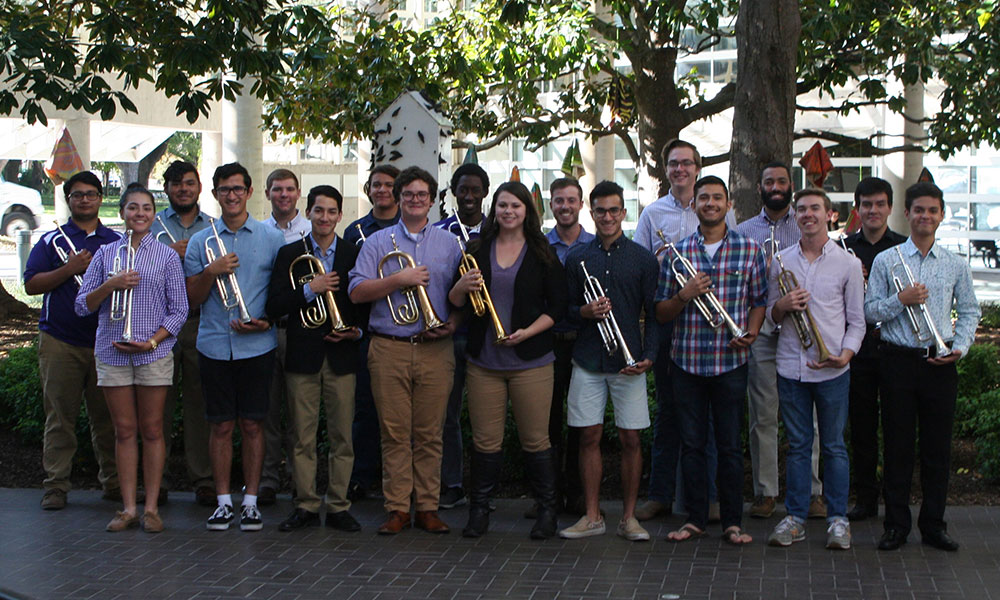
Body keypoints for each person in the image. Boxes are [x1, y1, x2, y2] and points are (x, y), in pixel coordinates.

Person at [449, 181, 567, 539]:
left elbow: (558, 308)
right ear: (494, 210)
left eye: (515, 206)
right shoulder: (476, 248)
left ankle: (548, 511)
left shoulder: (543, 251)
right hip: (484, 361)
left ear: (527, 211)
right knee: (485, 441)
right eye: (502, 205)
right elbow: (453, 300)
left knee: (536, 440)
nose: (508, 211)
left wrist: (528, 332)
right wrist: (461, 287)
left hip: (531, 360)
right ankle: (479, 511)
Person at [348, 166, 462, 535]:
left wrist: (454, 323)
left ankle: (427, 506)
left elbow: (461, 297)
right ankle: (397, 507)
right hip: (389, 347)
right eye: (408, 194)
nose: (415, 200)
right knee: (395, 433)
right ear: (398, 200)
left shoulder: (449, 243)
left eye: (422, 194)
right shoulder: (376, 243)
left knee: (431, 433)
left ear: (432, 200)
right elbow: (356, 292)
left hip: (436, 349)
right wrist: (399, 279)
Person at [865, 182, 980, 552]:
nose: (925, 216)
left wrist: (960, 347)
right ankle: (896, 526)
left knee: (937, 449)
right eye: (918, 210)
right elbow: (870, 311)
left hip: (940, 363)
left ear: (942, 215)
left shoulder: (954, 263)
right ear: (908, 214)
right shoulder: (887, 260)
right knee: (897, 447)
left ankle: (934, 525)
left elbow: (971, 311)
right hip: (897, 361)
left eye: (932, 211)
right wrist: (901, 299)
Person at [656, 176, 764, 545]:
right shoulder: (677, 253)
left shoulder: (750, 250)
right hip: (687, 361)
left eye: (718, 198)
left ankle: (733, 521)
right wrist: (685, 294)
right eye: (704, 198)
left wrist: (750, 330)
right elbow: (661, 313)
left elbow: (760, 299)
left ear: (728, 204)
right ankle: (696, 518)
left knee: (731, 446)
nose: (711, 203)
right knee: (692, 445)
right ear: (696, 204)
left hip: (730, 361)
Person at [75, 184, 188, 532]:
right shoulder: (106, 254)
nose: (140, 214)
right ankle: (127, 508)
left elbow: (180, 309)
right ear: (122, 212)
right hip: (112, 351)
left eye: (146, 208)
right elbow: (82, 305)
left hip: (152, 353)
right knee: (123, 431)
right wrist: (112, 285)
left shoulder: (167, 256)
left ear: (154, 215)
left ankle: (151, 507)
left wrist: (152, 342)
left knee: (153, 431)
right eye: (133, 208)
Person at [634, 139, 732, 523]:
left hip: (708, 320)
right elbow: (642, 265)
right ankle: (659, 494)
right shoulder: (653, 213)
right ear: (666, 169)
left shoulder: (714, 206)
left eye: (687, 163)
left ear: (697, 166)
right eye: (673, 164)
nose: (680, 170)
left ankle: (705, 497)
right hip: (669, 316)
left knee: (706, 415)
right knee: (669, 412)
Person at [184, 162, 286, 531]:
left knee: (254, 425)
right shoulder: (201, 242)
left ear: (249, 192)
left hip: (257, 344)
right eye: (224, 190)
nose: (231, 195)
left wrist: (269, 321)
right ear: (215, 195)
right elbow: (191, 300)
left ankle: (252, 501)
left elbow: (281, 293)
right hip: (214, 344)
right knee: (221, 426)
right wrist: (211, 271)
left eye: (237, 189)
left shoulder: (271, 238)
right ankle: (224, 501)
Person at [766, 188, 865, 550]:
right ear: (795, 216)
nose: (807, 214)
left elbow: (858, 321)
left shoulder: (848, 264)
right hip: (791, 366)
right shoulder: (781, 261)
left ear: (829, 215)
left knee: (835, 446)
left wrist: (846, 355)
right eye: (802, 209)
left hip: (833, 369)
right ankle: (795, 518)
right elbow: (772, 317)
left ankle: (838, 520)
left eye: (815, 209)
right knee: (797, 446)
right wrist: (783, 304)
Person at [558, 181, 657, 542]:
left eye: (614, 210)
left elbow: (655, 314)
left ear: (624, 213)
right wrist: (583, 311)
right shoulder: (578, 257)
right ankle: (592, 515)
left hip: (628, 362)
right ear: (592, 212)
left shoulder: (643, 258)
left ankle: (629, 518)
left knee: (631, 439)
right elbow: (565, 311)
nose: (608, 217)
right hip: (587, 360)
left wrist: (649, 356)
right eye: (600, 211)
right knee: (588, 437)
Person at [266, 185, 364, 533]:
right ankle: (305, 503)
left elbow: (364, 306)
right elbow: (274, 305)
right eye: (318, 211)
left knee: (342, 436)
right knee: (301, 437)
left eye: (331, 212)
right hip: (303, 355)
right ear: (307, 213)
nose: (324, 218)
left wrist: (355, 332)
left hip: (342, 354)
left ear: (340, 216)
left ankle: (338, 505)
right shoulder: (289, 253)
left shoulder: (354, 253)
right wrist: (311, 288)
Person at [734, 162, 825, 520]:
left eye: (782, 181)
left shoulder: (805, 223)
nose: (775, 186)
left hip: (802, 332)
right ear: (759, 186)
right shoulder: (743, 231)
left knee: (810, 419)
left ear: (791, 185)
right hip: (763, 331)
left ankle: (814, 492)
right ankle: (765, 492)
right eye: (768, 181)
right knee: (762, 416)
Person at [24, 170, 119, 510]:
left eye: (91, 194)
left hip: (104, 340)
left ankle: (114, 482)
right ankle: (56, 486)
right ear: (69, 200)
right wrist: (70, 268)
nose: (84, 199)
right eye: (77, 194)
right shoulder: (52, 240)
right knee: (59, 418)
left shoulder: (114, 241)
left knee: (107, 418)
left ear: (100, 198)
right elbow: (32, 284)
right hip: (60, 341)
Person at [842, 177, 906, 521]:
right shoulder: (843, 250)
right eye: (867, 205)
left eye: (880, 204)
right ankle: (865, 499)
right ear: (858, 209)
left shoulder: (904, 249)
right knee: (862, 430)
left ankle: (897, 501)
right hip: (858, 352)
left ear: (890, 208)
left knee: (897, 430)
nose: (873, 210)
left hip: (896, 351)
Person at [150, 160, 214, 507]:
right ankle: (155, 482)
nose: (183, 189)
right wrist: (167, 254)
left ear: (199, 188)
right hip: (159, 326)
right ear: (168, 190)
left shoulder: (213, 227)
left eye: (189, 183)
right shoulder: (153, 226)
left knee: (198, 404)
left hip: (199, 321)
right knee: (157, 406)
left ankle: (202, 479)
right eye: (176, 184)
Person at [433, 163, 490, 510]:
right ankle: (451, 483)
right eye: (462, 190)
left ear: (485, 192)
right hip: (451, 336)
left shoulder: (499, 230)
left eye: (475, 190)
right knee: (447, 414)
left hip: (487, 336)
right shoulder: (439, 232)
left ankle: (485, 490)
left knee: (487, 418)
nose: (468, 196)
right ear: (454, 192)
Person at [343, 165, 400, 501]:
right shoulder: (355, 231)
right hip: (367, 329)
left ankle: (396, 479)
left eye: (388, 185)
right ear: (368, 189)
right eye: (376, 185)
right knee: (365, 408)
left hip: (402, 327)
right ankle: (362, 476)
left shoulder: (408, 228)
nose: (381, 190)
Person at [259, 168, 312, 505]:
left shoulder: (310, 231)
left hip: (300, 330)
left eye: (290, 189)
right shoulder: (258, 233)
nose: (283, 195)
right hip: (266, 331)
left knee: (298, 413)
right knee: (267, 412)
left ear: (298, 193)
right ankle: (267, 479)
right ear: (267, 194)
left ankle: (298, 478)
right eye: (277, 189)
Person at [542, 177, 595, 516]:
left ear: (580, 205)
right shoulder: (538, 246)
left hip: (583, 343)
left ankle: (575, 493)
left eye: (571, 200)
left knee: (580, 422)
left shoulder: (594, 245)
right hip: (546, 345)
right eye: (559, 200)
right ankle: (547, 495)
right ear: (551, 205)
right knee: (546, 425)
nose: (565, 206)